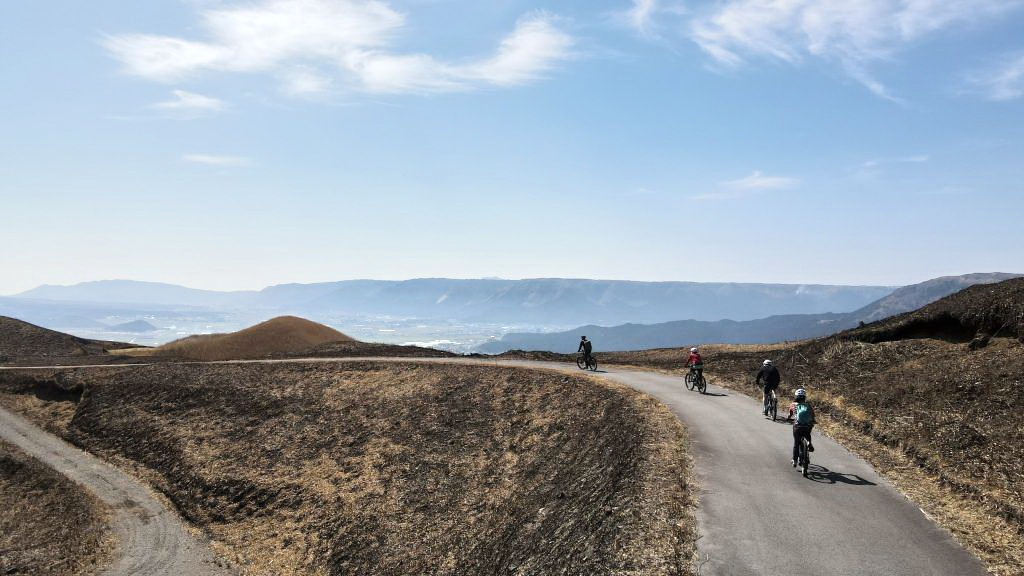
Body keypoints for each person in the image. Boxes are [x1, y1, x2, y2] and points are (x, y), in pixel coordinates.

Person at [790, 388, 816, 467]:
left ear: (796, 396)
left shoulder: (793, 405)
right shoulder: (808, 405)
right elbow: (812, 415)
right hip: (807, 426)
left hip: (797, 426)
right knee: (807, 433)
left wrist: (789, 417)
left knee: (796, 443)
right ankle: (809, 443)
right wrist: (813, 421)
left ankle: (794, 460)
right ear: (805, 397)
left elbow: (791, 414)